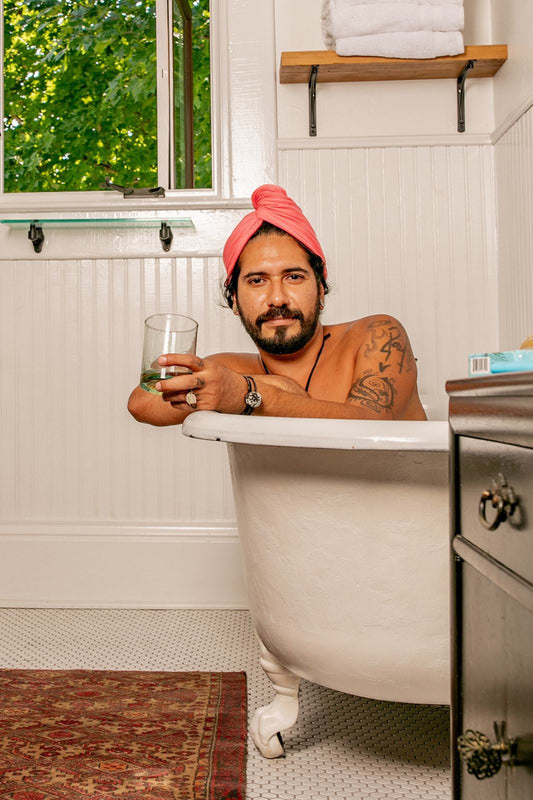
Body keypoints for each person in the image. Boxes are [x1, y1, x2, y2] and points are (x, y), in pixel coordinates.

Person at [128, 184, 426, 426]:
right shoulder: (232, 370)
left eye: (294, 277)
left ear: (321, 289)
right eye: (257, 281)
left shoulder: (377, 336)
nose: (277, 298)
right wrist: (274, 387)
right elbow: (142, 403)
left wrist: (247, 394)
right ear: (234, 301)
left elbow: (369, 426)